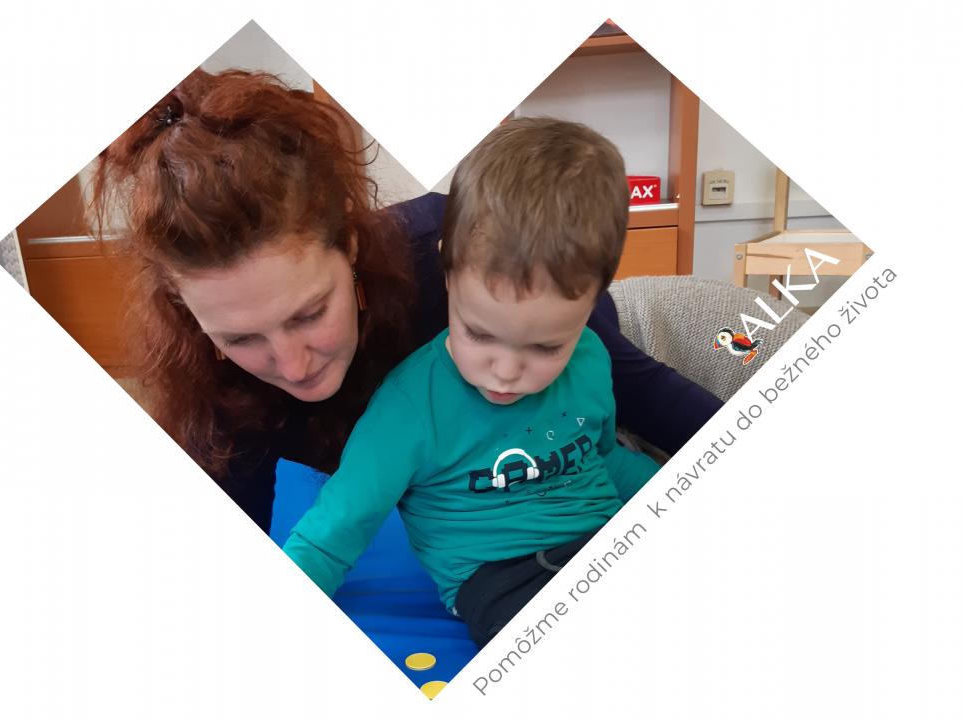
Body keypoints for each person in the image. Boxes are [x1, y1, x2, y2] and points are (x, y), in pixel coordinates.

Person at [90, 67, 720, 537]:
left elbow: (646, 396)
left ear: (351, 244)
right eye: (240, 339)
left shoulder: (465, 270)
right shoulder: (211, 390)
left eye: (310, 314)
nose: (294, 365)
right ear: (185, 310)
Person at [283, 117, 659, 647]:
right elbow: (335, 530)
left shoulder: (592, 359)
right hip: (503, 580)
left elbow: (604, 457)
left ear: (594, 301)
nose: (505, 372)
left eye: (546, 347)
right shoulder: (410, 407)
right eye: (479, 334)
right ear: (448, 271)